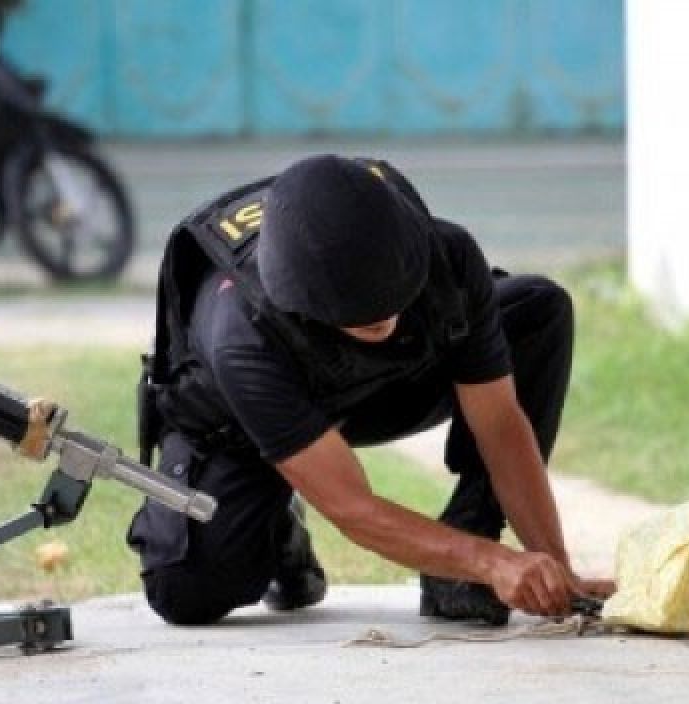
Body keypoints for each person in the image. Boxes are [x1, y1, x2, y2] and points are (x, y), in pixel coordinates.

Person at [128, 154, 613, 627]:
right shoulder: (243, 333)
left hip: (377, 386)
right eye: (362, 315)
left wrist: (552, 564)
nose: (382, 319)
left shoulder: (445, 252)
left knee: (536, 310)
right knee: (187, 589)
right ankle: (277, 528)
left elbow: (501, 426)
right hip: (241, 427)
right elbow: (352, 507)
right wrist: (494, 563)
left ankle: (465, 541)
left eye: (393, 299)